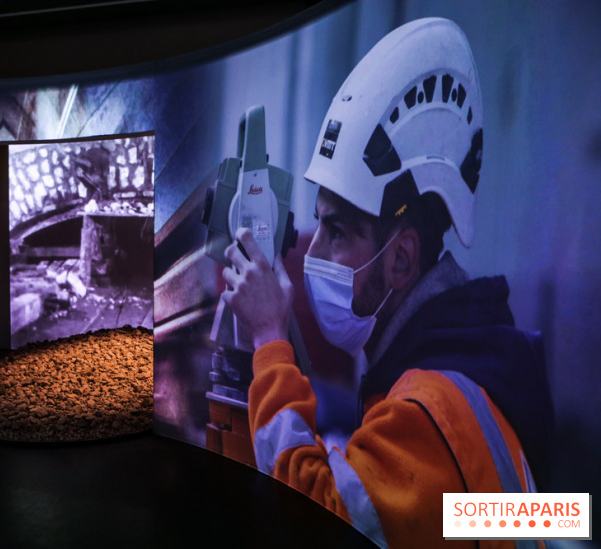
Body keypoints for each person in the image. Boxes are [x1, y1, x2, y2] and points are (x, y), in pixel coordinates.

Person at [221, 18, 554, 549]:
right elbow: (532, 517)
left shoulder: (431, 410)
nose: (313, 252)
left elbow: (312, 522)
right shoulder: (461, 375)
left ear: (400, 259)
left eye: (336, 232)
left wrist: (269, 339)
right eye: (318, 225)